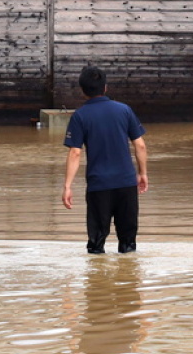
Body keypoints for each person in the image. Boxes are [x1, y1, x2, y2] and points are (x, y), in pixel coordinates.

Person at [62, 65, 149, 254]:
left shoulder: (80, 116)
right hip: (126, 184)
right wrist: (142, 173)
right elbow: (140, 145)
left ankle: (97, 281)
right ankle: (127, 280)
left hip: (98, 186)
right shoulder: (124, 110)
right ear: (105, 87)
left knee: (96, 244)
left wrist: (67, 186)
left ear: (83, 91)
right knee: (128, 243)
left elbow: (75, 153)